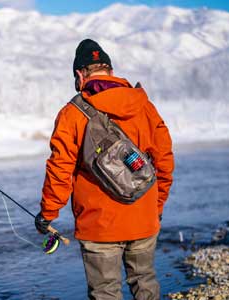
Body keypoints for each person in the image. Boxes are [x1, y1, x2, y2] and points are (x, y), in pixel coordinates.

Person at [34, 39, 174, 300]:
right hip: (144, 217)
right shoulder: (145, 106)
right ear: (110, 70)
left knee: (105, 293)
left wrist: (48, 213)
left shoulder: (71, 113)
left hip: (98, 226)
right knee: (146, 284)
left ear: (79, 74)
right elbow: (164, 160)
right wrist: (157, 206)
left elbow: (59, 169)